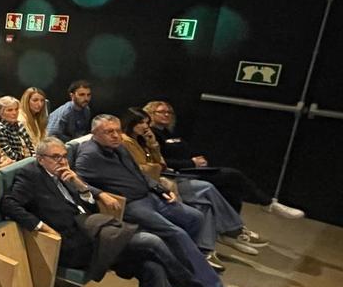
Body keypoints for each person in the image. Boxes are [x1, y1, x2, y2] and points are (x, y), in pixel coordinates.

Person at [2, 137, 273, 287]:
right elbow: (10, 203)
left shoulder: (68, 175)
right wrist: (40, 226)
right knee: (153, 243)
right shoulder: (31, 175)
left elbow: (85, 203)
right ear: (40, 158)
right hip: (73, 245)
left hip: (98, 234)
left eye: (63, 156)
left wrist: (80, 186)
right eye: (55, 158)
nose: (62, 161)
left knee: (152, 267)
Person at [121, 108, 268, 258]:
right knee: (207, 188)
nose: (145, 127)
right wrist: (157, 166)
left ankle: (205, 250)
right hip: (157, 183)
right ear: (130, 123)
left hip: (165, 177)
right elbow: (142, 169)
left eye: (146, 123)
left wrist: (153, 145)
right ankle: (233, 230)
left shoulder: (144, 140)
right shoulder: (126, 142)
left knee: (206, 204)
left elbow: (161, 163)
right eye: (140, 123)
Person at [75, 115, 220, 265]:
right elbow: (76, 182)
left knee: (195, 217)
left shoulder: (120, 147)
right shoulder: (89, 154)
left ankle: (185, 260)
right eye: (109, 132)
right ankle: (189, 268)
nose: (116, 136)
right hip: (131, 204)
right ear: (95, 132)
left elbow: (140, 173)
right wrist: (101, 194)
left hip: (149, 195)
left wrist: (159, 188)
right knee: (177, 232)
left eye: (118, 131)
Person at [143, 100, 304, 218]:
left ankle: (234, 230)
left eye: (169, 112)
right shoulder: (151, 134)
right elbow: (160, 161)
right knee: (233, 175)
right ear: (150, 114)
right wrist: (192, 163)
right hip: (177, 173)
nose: (166, 115)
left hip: (190, 168)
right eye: (161, 112)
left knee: (231, 187)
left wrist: (195, 160)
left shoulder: (170, 133)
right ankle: (268, 204)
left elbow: (182, 152)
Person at [0, 95, 35, 161]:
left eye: (16, 109)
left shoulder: (19, 124)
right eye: (9, 110)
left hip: (29, 160)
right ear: (0, 112)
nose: (14, 113)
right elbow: (10, 156)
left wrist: (34, 157)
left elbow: (30, 146)